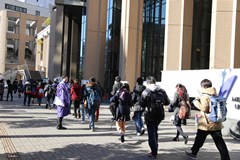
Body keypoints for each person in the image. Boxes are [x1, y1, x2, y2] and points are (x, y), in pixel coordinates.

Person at [185, 79, 230, 160]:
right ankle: (226, 158)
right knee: (219, 142)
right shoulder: (215, 94)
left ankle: (193, 153)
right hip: (216, 122)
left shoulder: (205, 96)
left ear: (203, 86)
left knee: (199, 139)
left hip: (206, 123)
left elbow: (204, 108)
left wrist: (196, 102)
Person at [139, 76, 170, 159]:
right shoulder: (162, 91)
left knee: (151, 133)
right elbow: (167, 102)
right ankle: (155, 149)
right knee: (155, 131)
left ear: (147, 82)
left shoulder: (146, 91)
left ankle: (154, 152)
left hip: (149, 114)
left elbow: (141, 103)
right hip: (159, 114)